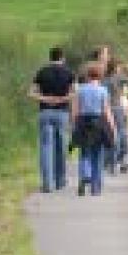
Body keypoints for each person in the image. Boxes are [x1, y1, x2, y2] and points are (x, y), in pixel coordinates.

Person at [28, 46, 74, 194]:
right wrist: (61, 99)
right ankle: (60, 180)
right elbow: (74, 93)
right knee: (61, 147)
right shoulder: (69, 73)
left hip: (45, 112)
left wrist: (46, 98)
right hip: (61, 113)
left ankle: (47, 183)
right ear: (62, 58)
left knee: (46, 147)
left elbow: (31, 93)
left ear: (50, 58)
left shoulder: (42, 72)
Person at [72, 62, 116, 196]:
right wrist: (112, 126)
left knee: (84, 152)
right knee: (97, 154)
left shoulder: (80, 90)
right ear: (100, 75)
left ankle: (85, 175)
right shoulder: (103, 90)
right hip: (98, 122)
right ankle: (95, 187)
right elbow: (106, 110)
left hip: (83, 121)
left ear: (87, 75)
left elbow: (75, 110)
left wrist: (74, 125)